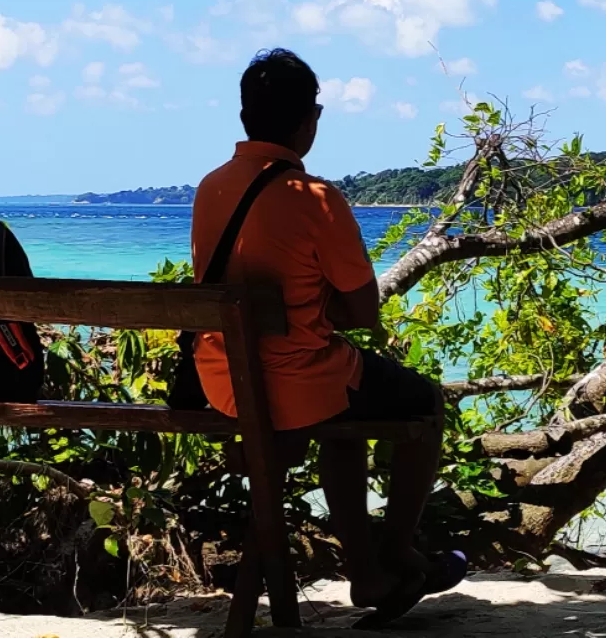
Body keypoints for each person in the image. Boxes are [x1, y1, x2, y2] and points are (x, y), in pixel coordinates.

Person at [191, 48, 465, 619]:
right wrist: (318, 307)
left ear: (244, 116)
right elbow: (364, 311)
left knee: (343, 417)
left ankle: (370, 573)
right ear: (308, 120)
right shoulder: (316, 198)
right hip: (299, 386)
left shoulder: (209, 188)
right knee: (424, 399)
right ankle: (392, 551)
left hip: (224, 385)